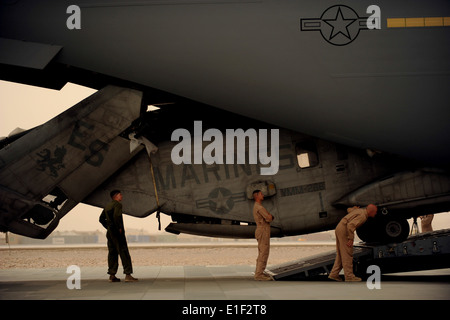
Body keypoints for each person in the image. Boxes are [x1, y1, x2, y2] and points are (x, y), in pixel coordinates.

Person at [328, 204, 378, 282]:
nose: (375, 214)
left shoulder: (359, 211)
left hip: (339, 228)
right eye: (375, 212)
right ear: (371, 211)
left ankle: (334, 274)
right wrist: (350, 239)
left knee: (341, 254)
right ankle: (349, 276)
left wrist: (353, 208)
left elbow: (348, 210)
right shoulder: (363, 216)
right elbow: (350, 225)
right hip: (344, 230)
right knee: (347, 254)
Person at [99, 190, 138, 282]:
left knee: (112, 253)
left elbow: (101, 219)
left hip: (110, 233)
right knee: (123, 252)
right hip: (117, 233)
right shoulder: (117, 205)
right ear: (116, 196)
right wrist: (119, 228)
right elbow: (117, 216)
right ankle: (128, 275)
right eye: (120, 194)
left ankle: (112, 275)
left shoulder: (107, 206)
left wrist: (108, 227)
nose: (122, 196)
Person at [252, 190, 274, 281]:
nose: (263, 195)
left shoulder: (257, 206)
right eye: (261, 194)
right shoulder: (259, 207)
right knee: (263, 252)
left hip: (262, 230)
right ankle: (259, 274)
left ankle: (259, 271)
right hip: (263, 230)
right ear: (257, 195)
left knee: (262, 252)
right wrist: (271, 216)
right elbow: (268, 218)